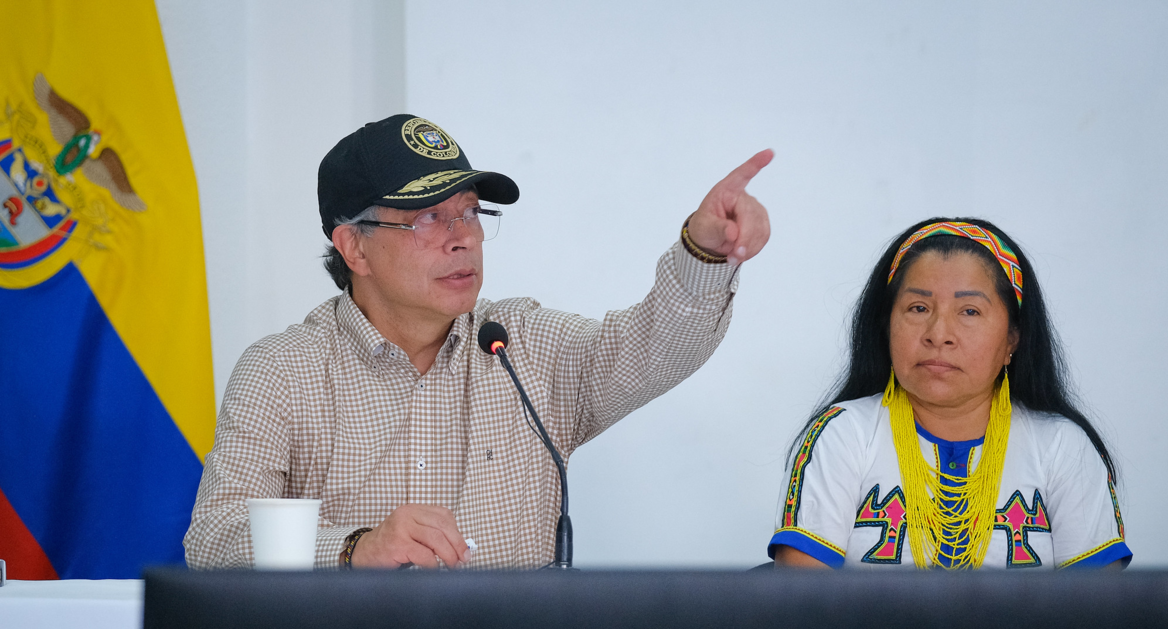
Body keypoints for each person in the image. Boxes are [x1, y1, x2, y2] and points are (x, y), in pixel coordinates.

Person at [185, 114, 772, 570]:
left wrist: (705, 253)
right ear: (354, 248)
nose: (463, 237)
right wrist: (353, 549)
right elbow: (213, 539)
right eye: (427, 218)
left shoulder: (521, 345)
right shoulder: (282, 371)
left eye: (469, 212)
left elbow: (654, 348)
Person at [770, 218, 1131, 569]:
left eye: (969, 311)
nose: (939, 334)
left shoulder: (1063, 446)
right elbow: (803, 601)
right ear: (886, 327)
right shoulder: (842, 434)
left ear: (1012, 339)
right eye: (918, 308)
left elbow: (1097, 606)